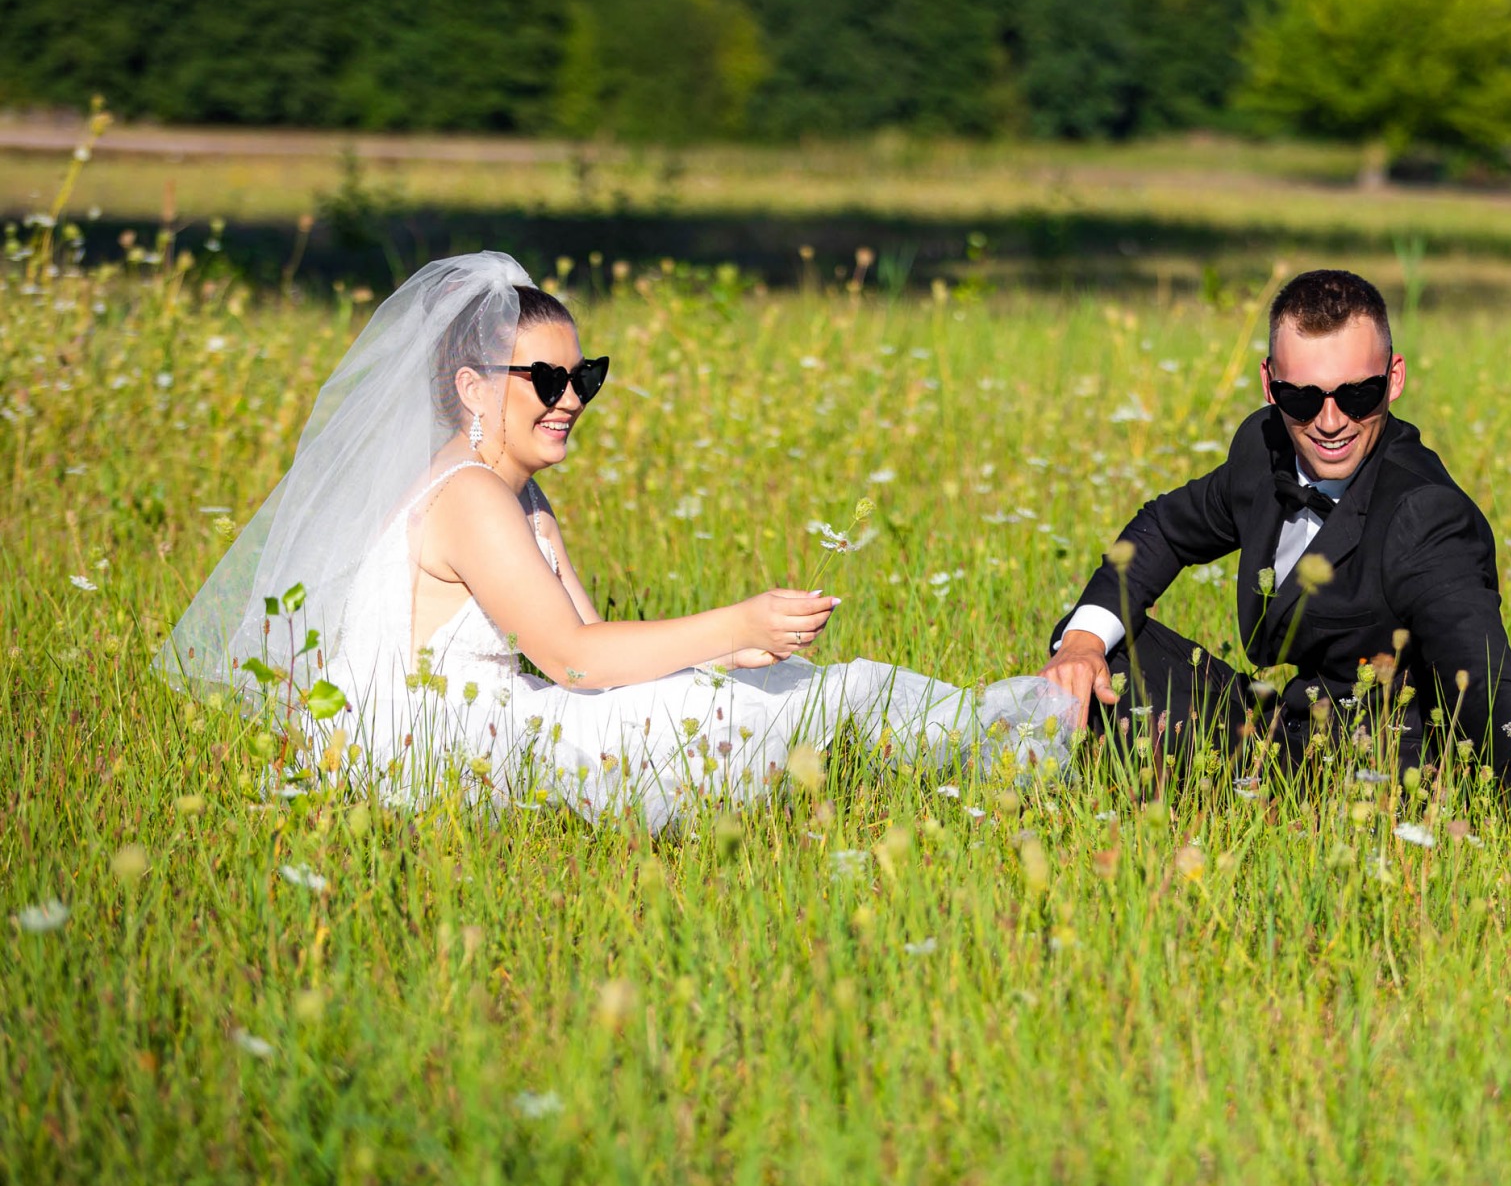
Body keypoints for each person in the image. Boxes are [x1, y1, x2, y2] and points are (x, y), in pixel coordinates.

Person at [161, 252, 1071, 831]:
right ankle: (1038, 743)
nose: (570, 399)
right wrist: (734, 623)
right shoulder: (469, 497)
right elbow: (572, 662)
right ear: (473, 388)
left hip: (497, 721)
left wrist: (728, 653)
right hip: (440, 751)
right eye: (546, 378)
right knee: (823, 698)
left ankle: (1028, 742)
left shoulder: (520, 497)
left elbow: (596, 648)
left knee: (784, 691)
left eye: (584, 376)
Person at [1039, 268, 1511, 906]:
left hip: (1369, 777)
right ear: (1270, 385)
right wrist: (1083, 644)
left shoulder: (1424, 513)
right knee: (1095, 649)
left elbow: (1481, 670)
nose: (1331, 421)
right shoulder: (1263, 449)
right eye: (1303, 399)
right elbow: (1166, 529)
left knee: (1118, 717)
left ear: (1394, 378)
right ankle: (1040, 765)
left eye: (1359, 394)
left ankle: (1181, 811)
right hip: (1281, 730)